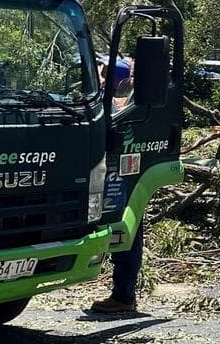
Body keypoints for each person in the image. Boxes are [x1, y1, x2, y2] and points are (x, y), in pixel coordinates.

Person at [91, 58, 142, 314]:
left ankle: (123, 296)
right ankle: (123, 294)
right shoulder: (129, 98)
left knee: (127, 233)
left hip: (118, 176)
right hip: (116, 175)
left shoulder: (123, 102)